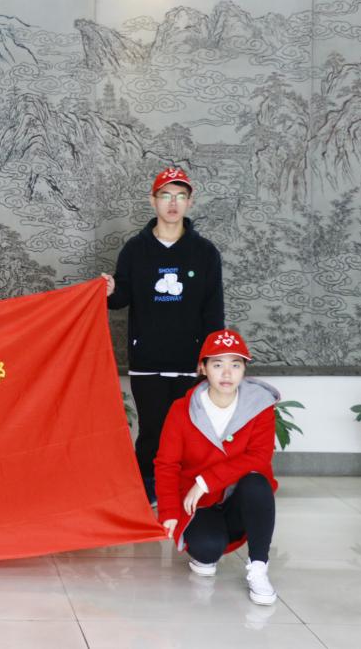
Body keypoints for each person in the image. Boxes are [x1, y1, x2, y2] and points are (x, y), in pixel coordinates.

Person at [102, 167, 224, 504]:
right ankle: (148, 489)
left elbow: (213, 309)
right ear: (153, 200)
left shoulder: (204, 252)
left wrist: (211, 358)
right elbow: (121, 298)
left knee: (190, 429)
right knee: (152, 430)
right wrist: (110, 290)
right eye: (166, 195)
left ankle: (186, 489)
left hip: (189, 360)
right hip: (148, 360)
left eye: (180, 196)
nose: (173, 203)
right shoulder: (135, 250)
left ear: (190, 202)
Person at [154, 328, 279, 605]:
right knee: (207, 550)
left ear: (244, 369)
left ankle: (259, 568)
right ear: (203, 368)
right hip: (199, 503)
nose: (227, 373)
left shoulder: (260, 405)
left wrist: (205, 480)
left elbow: (259, 457)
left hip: (239, 500)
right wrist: (169, 511)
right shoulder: (182, 409)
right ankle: (207, 545)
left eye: (235, 365)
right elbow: (167, 464)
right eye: (217, 364)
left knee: (257, 482)